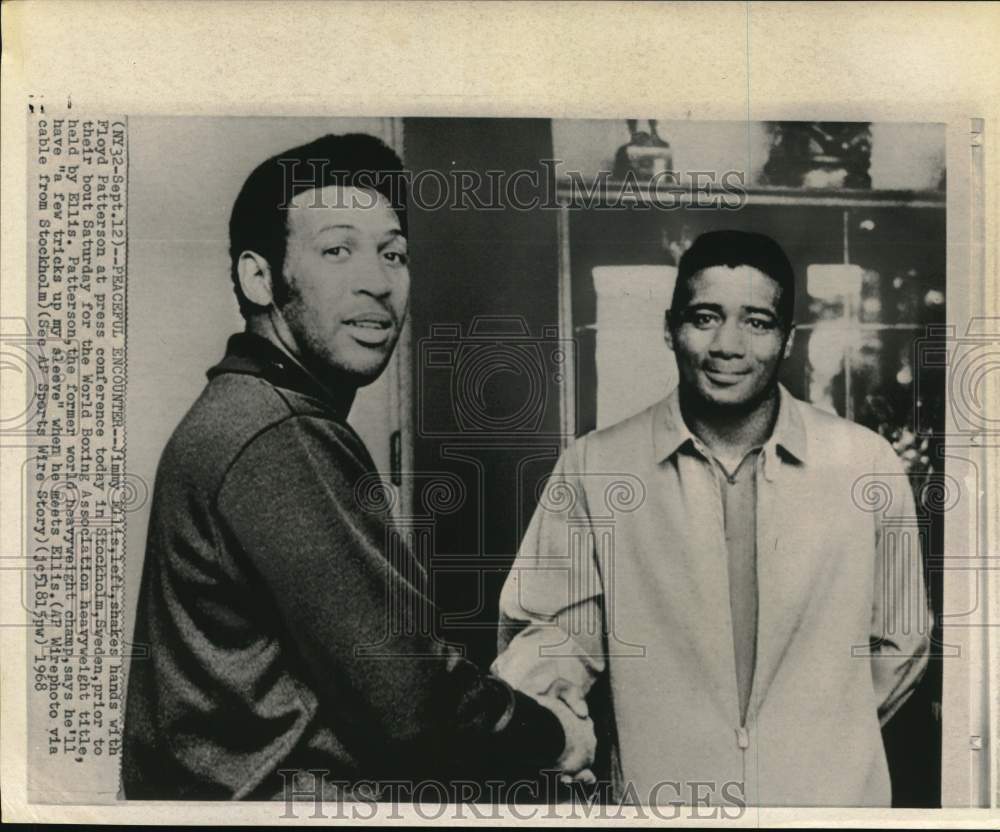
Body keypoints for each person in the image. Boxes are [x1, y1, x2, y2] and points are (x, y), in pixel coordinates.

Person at [122, 133, 593, 799]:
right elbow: (413, 704)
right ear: (260, 278)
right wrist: (554, 735)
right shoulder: (277, 431)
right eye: (337, 250)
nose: (377, 282)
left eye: (393, 253)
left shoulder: (253, 411)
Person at [493, 229, 931, 807]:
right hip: (663, 804)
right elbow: (554, 636)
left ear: (787, 339)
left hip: (829, 805)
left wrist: (813, 736)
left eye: (756, 321)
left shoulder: (864, 463)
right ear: (669, 328)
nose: (728, 344)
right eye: (705, 317)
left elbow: (902, 639)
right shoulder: (594, 466)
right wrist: (554, 719)